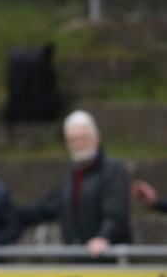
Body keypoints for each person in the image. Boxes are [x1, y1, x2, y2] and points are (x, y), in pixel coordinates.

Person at [18, 110, 131, 258]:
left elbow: (116, 213)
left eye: (82, 139)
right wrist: (10, 213)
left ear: (96, 138)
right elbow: (49, 206)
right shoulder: (74, 175)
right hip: (78, 259)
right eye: (72, 140)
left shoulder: (113, 170)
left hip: (106, 259)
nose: (77, 145)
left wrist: (104, 237)